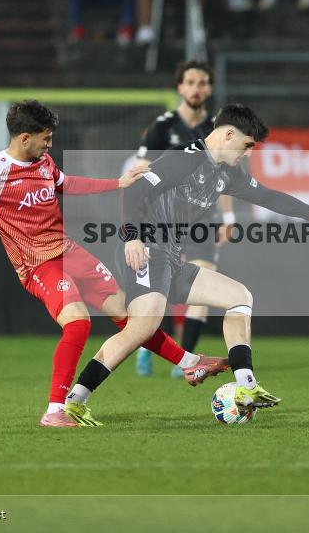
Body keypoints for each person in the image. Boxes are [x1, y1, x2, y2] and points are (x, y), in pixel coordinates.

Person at [0, 100, 227, 427]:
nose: (50, 144)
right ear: (24, 138)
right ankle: (54, 409)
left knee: (129, 316)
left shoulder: (43, 161)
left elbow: (66, 184)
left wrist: (118, 183)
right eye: (46, 137)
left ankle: (190, 363)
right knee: (78, 322)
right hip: (38, 264)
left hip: (70, 253)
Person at [62, 103, 309, 426]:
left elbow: (269, 197)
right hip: (147, 251)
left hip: (170, 259)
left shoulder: (226, 174)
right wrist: (132, 238)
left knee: (240, 297)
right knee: (142, 327)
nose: (249, 154)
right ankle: (75, 399)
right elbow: (137, 190)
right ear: (228, 134)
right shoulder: (184, 159)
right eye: (247, 145)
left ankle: (246, 387)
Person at [133, 60, 234, 378]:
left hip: (203, 217)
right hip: (163, 218)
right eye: (190, 82)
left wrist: (228, 216)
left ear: (210, 88)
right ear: (180, 87)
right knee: (157, 289)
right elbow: (140, 174)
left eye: (202, 82)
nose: (196, 88)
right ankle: (144, 345)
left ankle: (185, 359)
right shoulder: (161, 128)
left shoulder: (220, 131)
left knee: (206, 278)